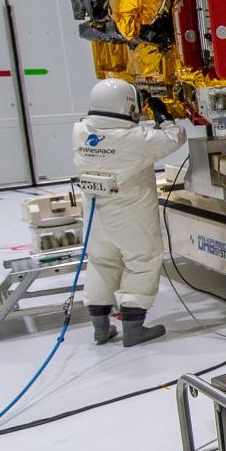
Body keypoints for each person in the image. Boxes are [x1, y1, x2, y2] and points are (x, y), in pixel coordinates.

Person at [72, 78, 186, 347]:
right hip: (130, 215)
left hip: (96, 215)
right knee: (142, 261)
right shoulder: (136, 139)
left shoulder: (79, 131)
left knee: (102, 263)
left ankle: (101, 329)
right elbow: (175, 137)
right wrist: (161, 114)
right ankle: (134, 330)